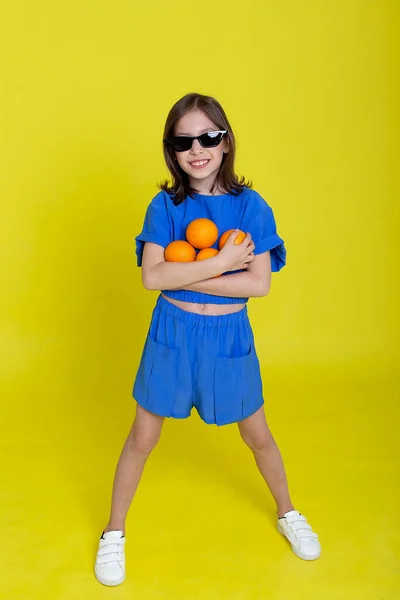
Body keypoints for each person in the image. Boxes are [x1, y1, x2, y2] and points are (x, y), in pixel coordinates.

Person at [94, 93, 321, 587]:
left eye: (207, 137)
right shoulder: (166, 205)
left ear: (225, 141)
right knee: (142, 437)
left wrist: (182, 273)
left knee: (257, 435)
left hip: (228, 336)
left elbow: (257, 284)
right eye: (183, 140)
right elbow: (151, 280)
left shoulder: (251, 207)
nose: (196, 148)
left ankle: (288, 512)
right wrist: (219, 264)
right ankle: (114, 532)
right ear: (171, 150)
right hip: (172, 332)